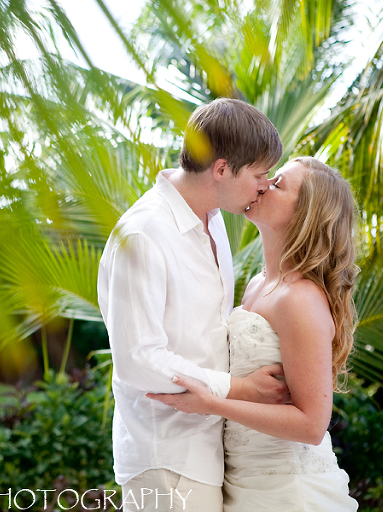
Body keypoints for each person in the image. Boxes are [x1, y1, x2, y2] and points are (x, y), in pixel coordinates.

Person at [97, 98, 289, 512]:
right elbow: (137, 359)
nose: (264, 185)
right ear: (221, 169)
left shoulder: (214, 219)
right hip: (165, 453)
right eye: (259, 174)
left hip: (208, 446)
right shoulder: (144, 234)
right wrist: (239, 391)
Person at [148, 156, 360, 511]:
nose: (262, 185)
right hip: (242, 480)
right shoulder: (258, 284)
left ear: (304, 215)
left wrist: (212, 403)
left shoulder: (300, 298)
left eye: (277, 184)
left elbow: (311, 424)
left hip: (288, 489)